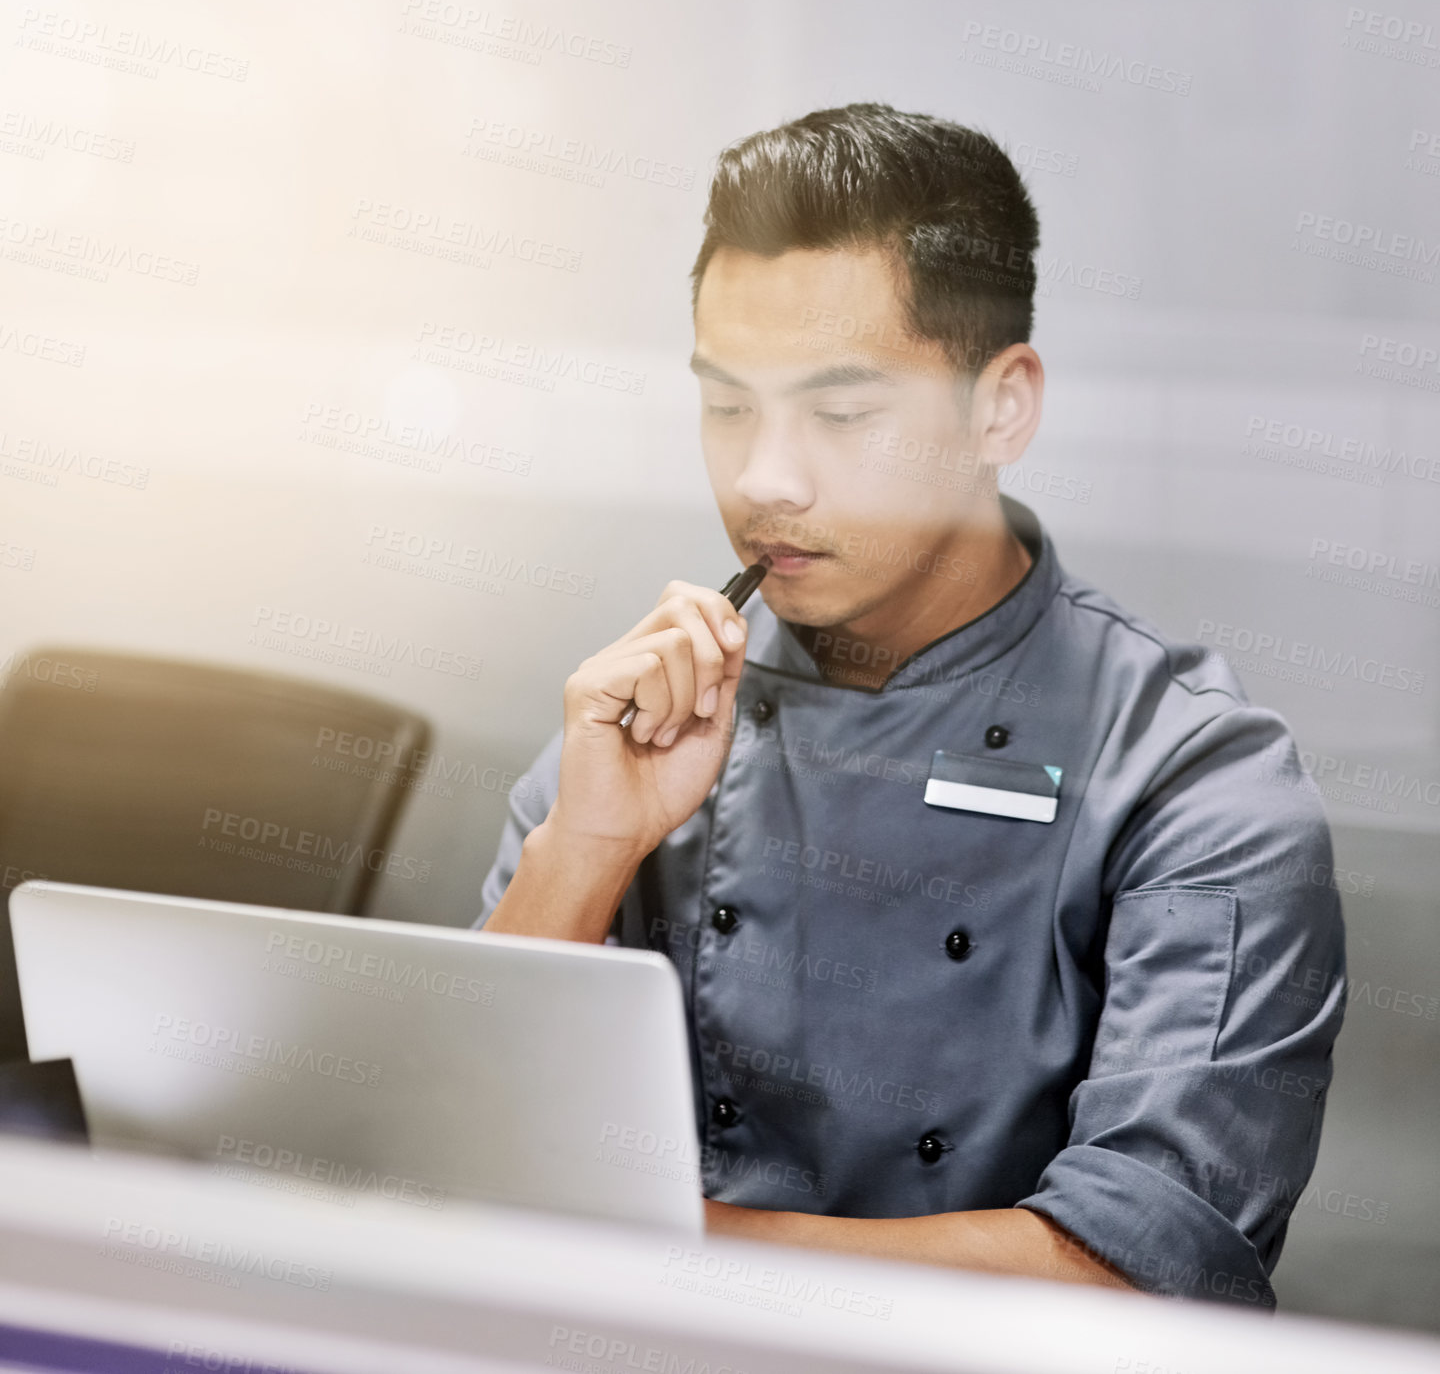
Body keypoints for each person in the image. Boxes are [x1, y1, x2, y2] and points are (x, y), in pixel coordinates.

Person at [472, 102, 1346, 1308]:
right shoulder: (640, 728)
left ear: (1004, 408)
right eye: (727, 406)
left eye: (840, 414)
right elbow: (446, 1153)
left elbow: (1145, 1263)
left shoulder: (1195, 783)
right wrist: (587, 846)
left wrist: (655, 1247)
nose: (764, 477)